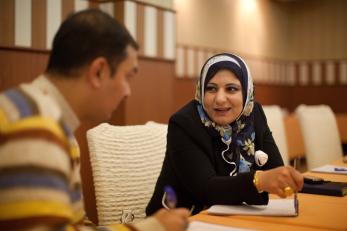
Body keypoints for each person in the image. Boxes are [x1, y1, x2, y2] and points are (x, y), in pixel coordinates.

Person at [0, 9, 189, 231]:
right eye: (127, 77)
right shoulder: (36, 126)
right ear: (98, 71)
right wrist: (153, 227)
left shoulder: (47, 117)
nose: (127, 92)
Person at [146, 53, 304, 215]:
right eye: (211, 88)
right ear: (201, 90)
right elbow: (206, 189)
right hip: (179, 220)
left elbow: (275, 168)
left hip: (232, 217)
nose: (220, 99)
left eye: (231, 89)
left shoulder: (253, 114)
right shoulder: (184, 124)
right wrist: (259, 180)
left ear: (246, 92)